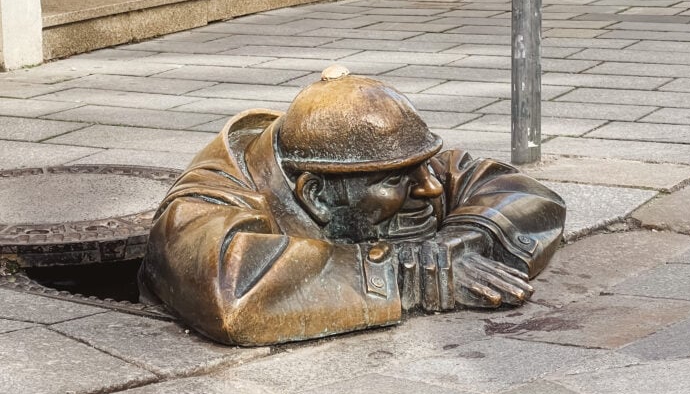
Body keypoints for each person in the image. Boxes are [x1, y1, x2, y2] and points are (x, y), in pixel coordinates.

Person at [140, 66, 566, 346]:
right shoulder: (207, 199)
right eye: (397, 180)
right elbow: (227, 292)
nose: (432, 188)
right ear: (315, 195)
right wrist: (408, 275)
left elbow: (525, 193)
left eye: (424, 167)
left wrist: (459, 243)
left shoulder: (386, 163)